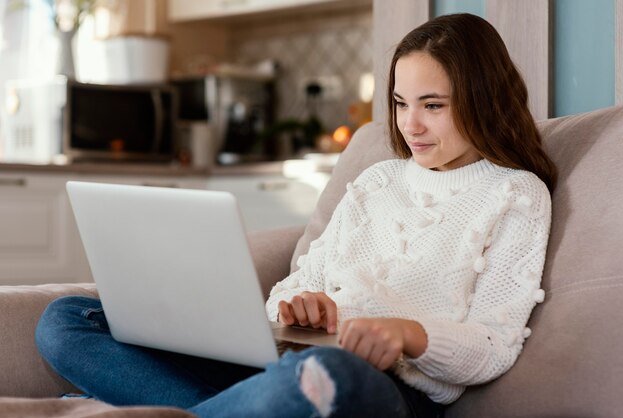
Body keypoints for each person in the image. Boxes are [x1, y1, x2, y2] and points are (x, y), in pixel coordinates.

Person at [35, 13, 557, 418]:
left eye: (433, 105)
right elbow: (298, 283)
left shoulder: (515, 194)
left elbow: (494, 345)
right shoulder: (377, 180)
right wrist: (298, 306)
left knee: (328, 372)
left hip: (385, 389)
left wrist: (406, 333)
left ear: (482, 101)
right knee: (67, 319)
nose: (410, 124)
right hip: (284, 366)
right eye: (399, 103)